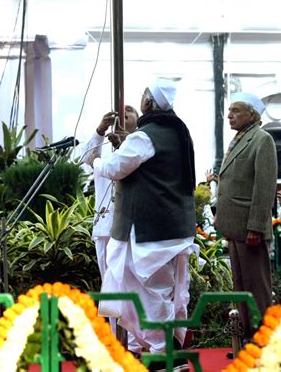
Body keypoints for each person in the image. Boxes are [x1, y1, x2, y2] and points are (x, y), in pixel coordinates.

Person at [93, 78, 196, 372]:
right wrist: (125, 144)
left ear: (149, 103)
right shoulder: (177, 132)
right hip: (172, 228)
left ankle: (164, 352)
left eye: (142, 96)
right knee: (163, 293)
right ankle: (166, 348)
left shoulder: (145, 136)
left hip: (150, 232)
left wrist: (101, 159)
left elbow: (113, 168)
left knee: (147, 293)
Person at [214, 92, 277, 344]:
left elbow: (264, 188)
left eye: (236, 110)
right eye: (229, 110)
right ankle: (248, 336)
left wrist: (256, 227)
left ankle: (263, 337)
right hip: (234, 226)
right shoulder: (240, 139)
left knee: (257, 286)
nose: (230, 115)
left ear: (252, 114)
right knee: (241, 284)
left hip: (249, 227)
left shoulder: (262, 139)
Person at [80, 106, 138, 282]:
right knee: (108, 282)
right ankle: (109, 311)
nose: (122, 118)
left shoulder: (140, 145)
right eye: (120, 115)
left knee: (128, 282)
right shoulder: (103, 145)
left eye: (127, 116)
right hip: (105, 224)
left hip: (130, 227)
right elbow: (86, 158)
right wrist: (100, 129)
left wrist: (123, 144)